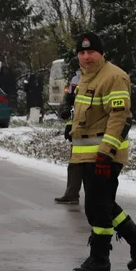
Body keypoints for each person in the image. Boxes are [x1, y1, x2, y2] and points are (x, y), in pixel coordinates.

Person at [68, 32, 136, 271]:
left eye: (91, 52)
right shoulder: (85, 78)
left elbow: (119, 118)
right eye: (82, 53)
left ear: (101, 53)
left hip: (104, 155)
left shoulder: (114, 76)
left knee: (98, 206)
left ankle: (100, 259)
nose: (86, 57)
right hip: (86, 154)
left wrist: (105, 153)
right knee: (102, 204)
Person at [54, 69, 83, 204]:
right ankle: (71, 193)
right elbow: (70, 103)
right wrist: (68, 121)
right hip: (78, 129)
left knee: (92, 168)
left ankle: (98, 199)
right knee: (74, 164)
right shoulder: (76, 79)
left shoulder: (103, 77)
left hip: (96, 130)